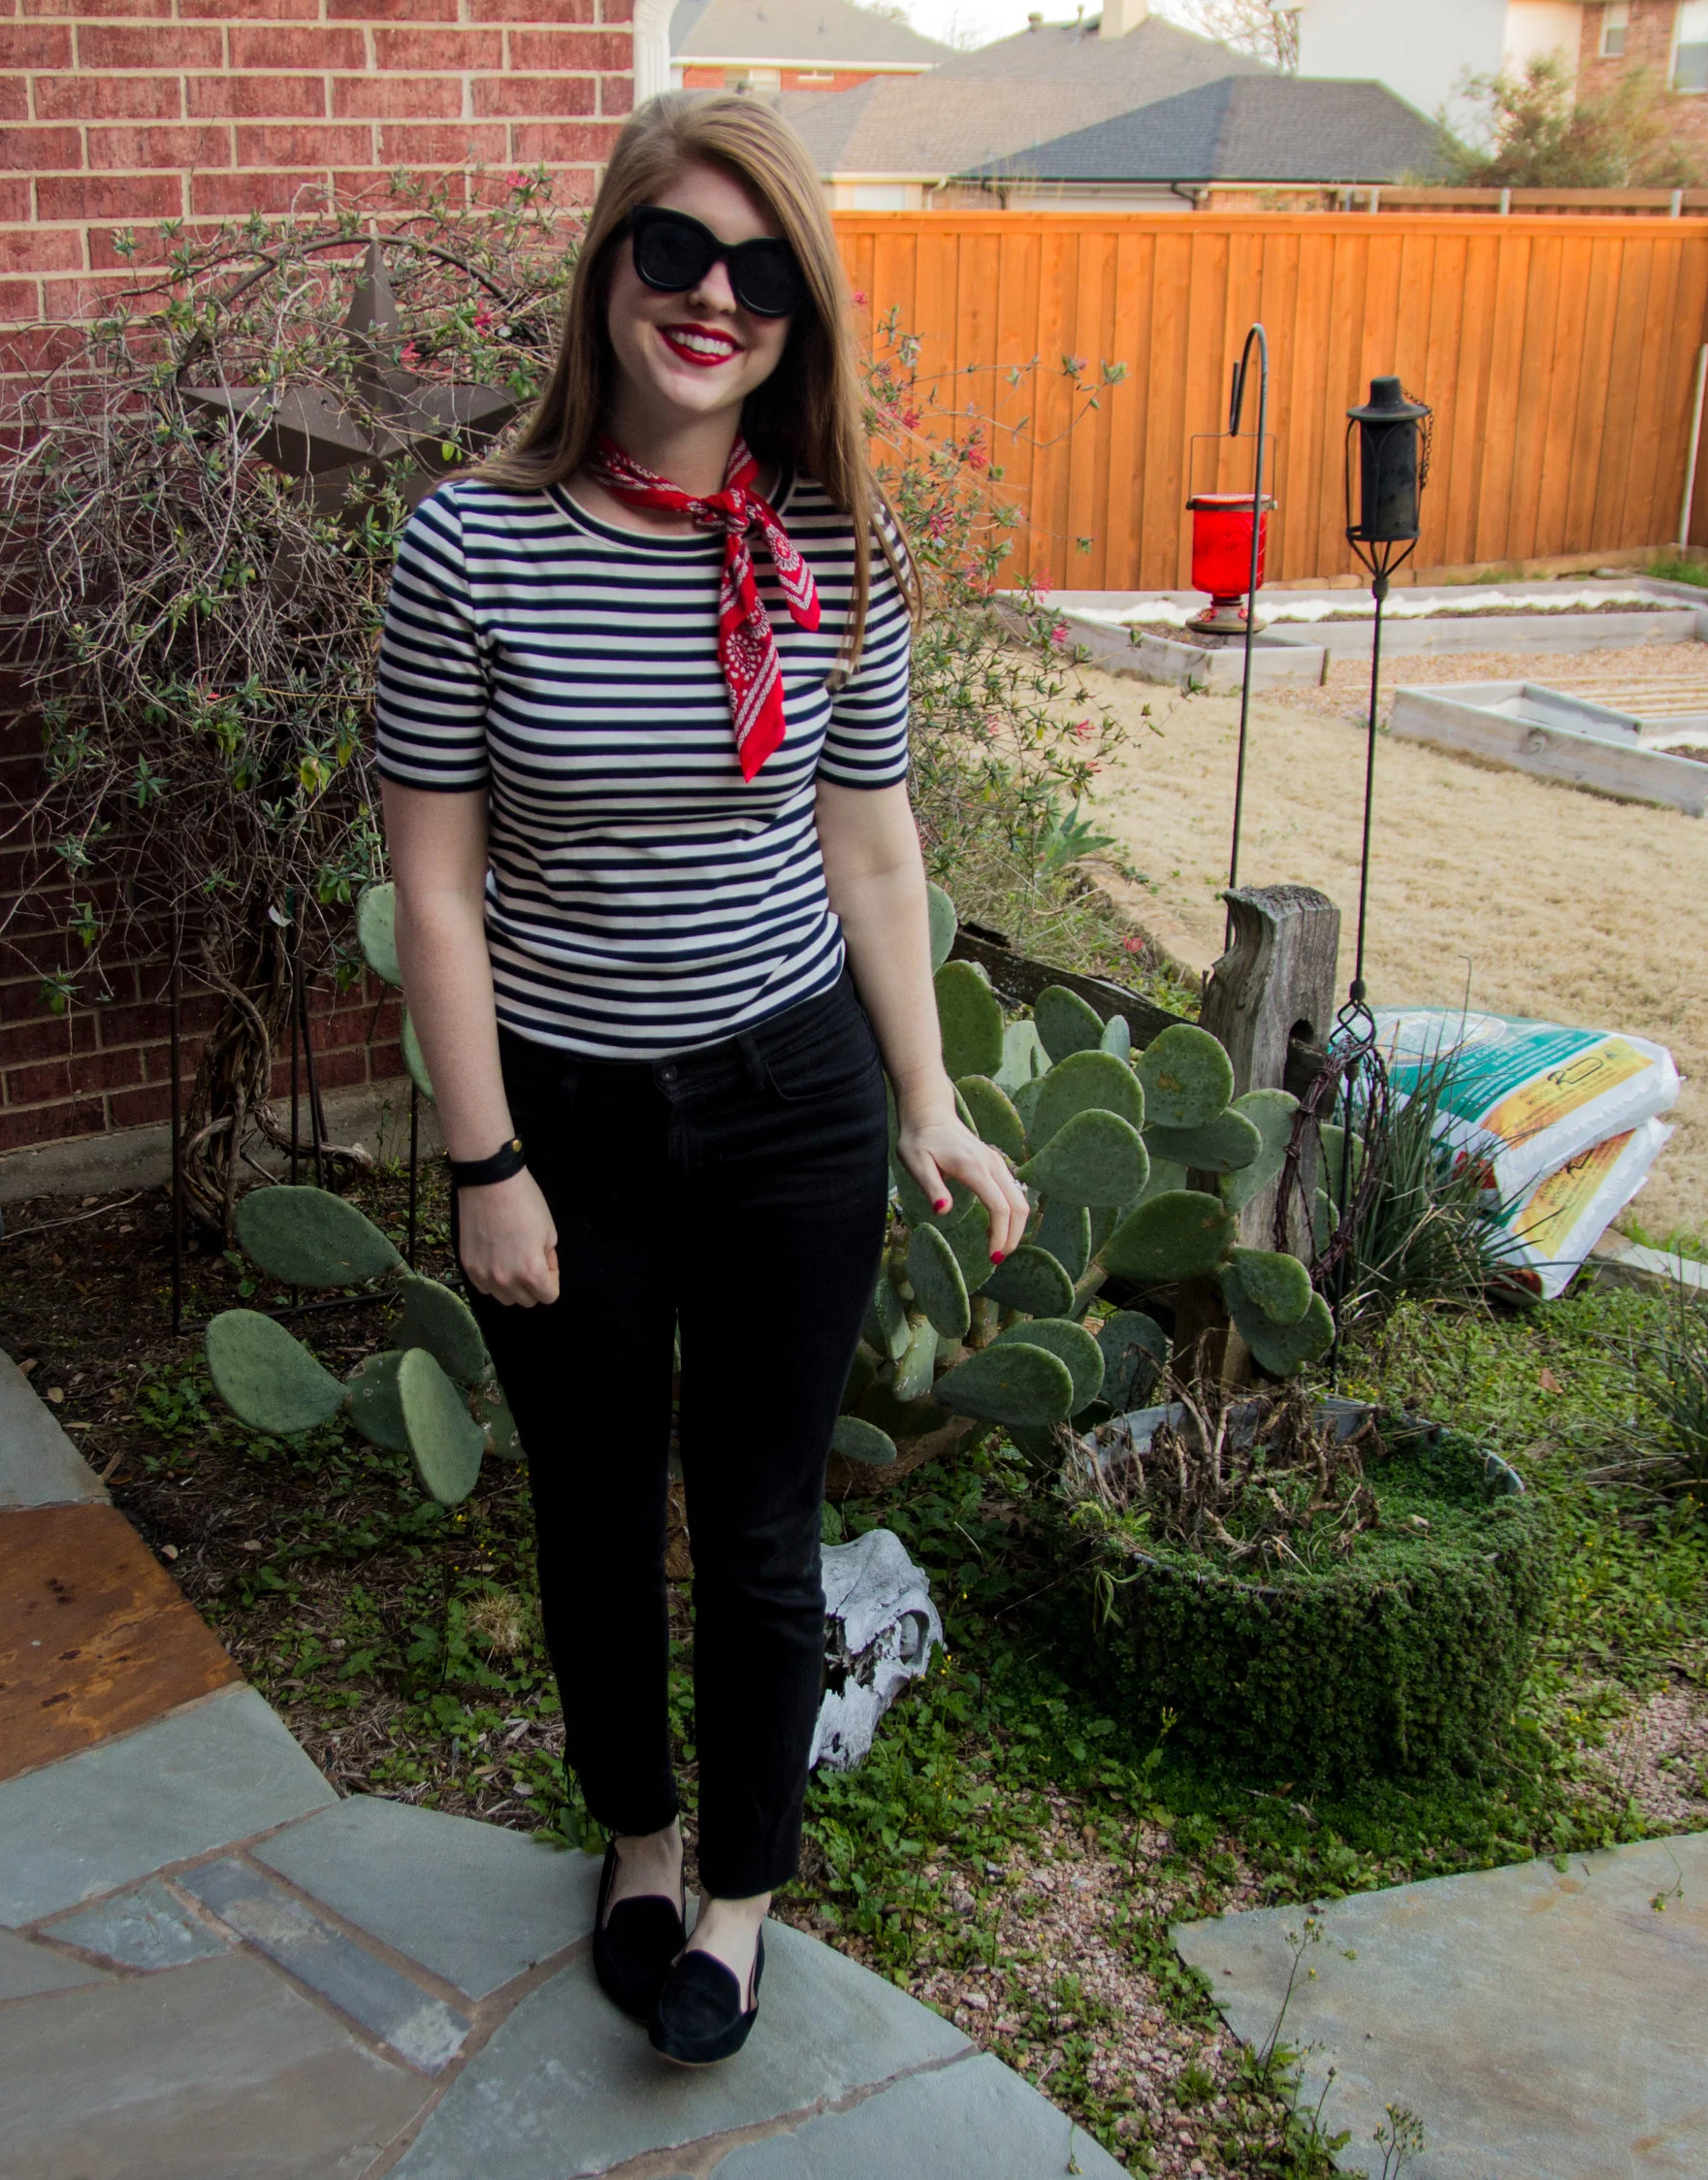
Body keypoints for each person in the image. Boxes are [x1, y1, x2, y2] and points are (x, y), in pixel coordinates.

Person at [373, 91, 1026, 2067]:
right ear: (609, 266)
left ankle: (736, 1893)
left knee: (753, 1523)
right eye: (676, 251)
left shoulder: (836, 544)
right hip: (564, 1116)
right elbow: (433, 876)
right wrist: (483, 1158)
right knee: (591, 1502)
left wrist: (924, 1098)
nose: (711, 299)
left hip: (787, 1104)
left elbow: (875, 840)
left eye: (757, 271)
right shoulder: (468, 542)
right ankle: (637, 1839)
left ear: (793, 312)